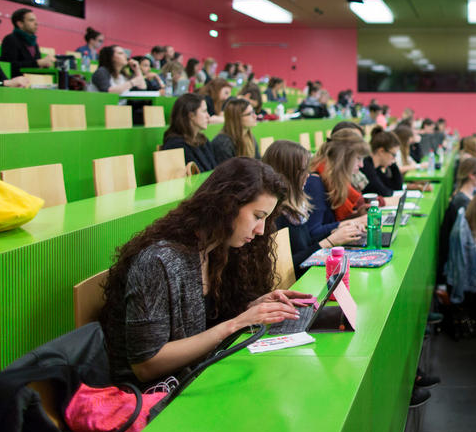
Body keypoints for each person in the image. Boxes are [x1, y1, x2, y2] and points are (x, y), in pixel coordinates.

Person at [99, 157, 316, 386]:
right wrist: (236, 324)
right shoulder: (159, 261)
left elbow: (205, 325)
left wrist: (253, 309)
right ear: (227, 206)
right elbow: (146, 365)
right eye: (257, 216)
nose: (261, 230)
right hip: (157, 399)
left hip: (196, 377)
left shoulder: (218, 251)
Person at [263, 141, 361, 280]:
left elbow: (305, 244)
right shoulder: (275, 215)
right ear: (287, 174)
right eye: (303, 170)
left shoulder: (294, 208)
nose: (308, 175)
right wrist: (328, 242)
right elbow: (284, 266)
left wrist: (336, 230)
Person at [304, 130, 370, 244]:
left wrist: (356, 216)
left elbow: (329, 222)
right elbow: (313, 233)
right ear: (343, 158)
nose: (361, 165)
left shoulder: (333, 180)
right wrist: (355, 221)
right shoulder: (314, 183)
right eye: (358, 158)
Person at [161, 93, 218, 171]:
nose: (208, 116)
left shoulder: (202, 140)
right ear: (191, 115)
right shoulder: (175, 145)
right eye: (204, 111)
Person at [0, 8, 54, 77]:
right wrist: (38, 63)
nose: (36, 23)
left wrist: (44, 65)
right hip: (16, 84)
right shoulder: (10, 39)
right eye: (31, 20)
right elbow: (9, 65)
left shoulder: (34, 43)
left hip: (33, 82)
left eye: (35, 20)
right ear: (20, 24)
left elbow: (34, 67)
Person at [211, 98, 260, 163]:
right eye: (249, 114)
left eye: (253, 112)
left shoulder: (249, 137)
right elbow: (228, 171)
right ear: (237, 118)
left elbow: (258, 163)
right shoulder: (222, 143)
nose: (255, 116)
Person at [360, 130, 404, 197]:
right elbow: (384, 192)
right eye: (394, 155)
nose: (394, 159)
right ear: (381, 151)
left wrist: (393, 164)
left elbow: (397, 187)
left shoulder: (377, 168)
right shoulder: (366, 166)